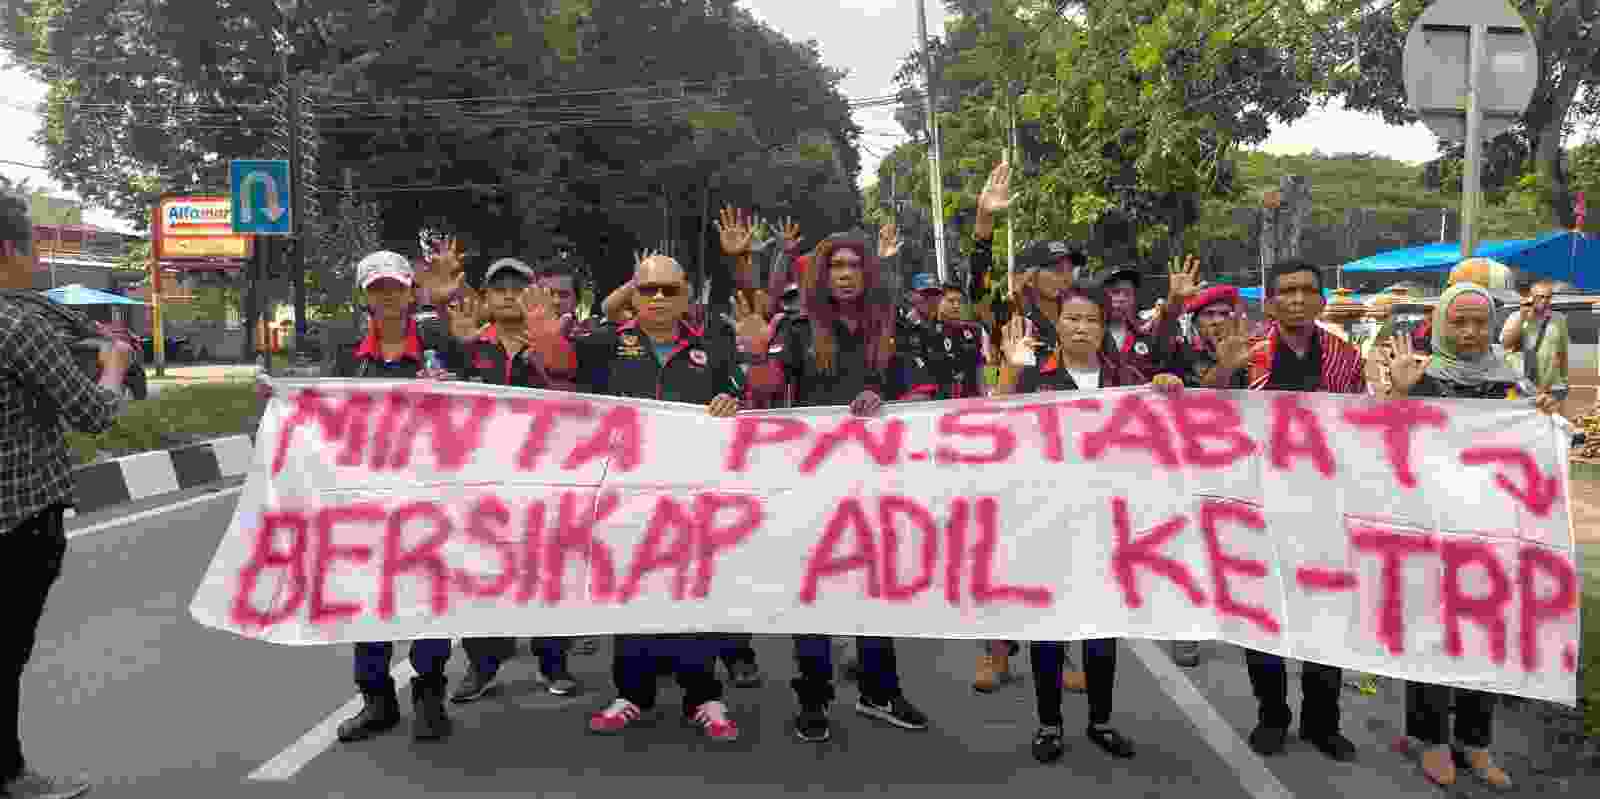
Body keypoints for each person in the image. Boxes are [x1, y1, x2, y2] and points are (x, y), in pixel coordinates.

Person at [538, 255, 744, 742]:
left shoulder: (713, 346)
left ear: (685, 296)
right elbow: (554, 371)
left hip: (693, 497)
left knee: (694, 594)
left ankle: (704, 695)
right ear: (631, 295)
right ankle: (633, 692)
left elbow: (744, 395)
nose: (657, 299)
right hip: (624, 498)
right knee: (631, 595)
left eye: (668, 290)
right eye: (646, 289)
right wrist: (545, 331)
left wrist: (731, 402)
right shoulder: (604, 344)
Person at [744, 230, 934, 743]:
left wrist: (884, 398)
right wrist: (758, 353)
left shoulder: (892, 330)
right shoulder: (800, 329)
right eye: (835, 266)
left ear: (868, 272)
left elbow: (922, 394)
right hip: (814, 483)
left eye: (854, 264)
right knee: (816, 592)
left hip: (877, 483)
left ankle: (879, 690)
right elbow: (763, 388)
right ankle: (813, 698)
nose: (845, 273)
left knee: (875, 590)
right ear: (821, 275)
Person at [1374, 281, 1552, 791]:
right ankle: (1429, 739)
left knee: (1483, 635)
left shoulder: (1510, 383)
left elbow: (1530, 452)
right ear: (1443, 325)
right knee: (1432, 633)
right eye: (1461, 322)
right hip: (1430, 529)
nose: (1472, 332)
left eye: (1481, 322)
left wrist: (1542, 419)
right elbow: (1385, 449)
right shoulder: (1421, 375)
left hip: (1492, 530)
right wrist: (1402, 396)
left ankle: (1474, 741)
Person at [992, 281, 1171, 762]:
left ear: (1102, 326)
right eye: (1072, 318)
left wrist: (1166, 391)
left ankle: (1100, 720)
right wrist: (1010, 370)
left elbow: (1156, 433)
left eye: (1091, 319)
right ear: (1058, 324)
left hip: (1107, 527)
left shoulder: (1125, 381)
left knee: (1101, 631)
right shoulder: (1034, 379)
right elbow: (997, 427)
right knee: (1048, 631)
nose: (1081, 327)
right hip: (1047, 522)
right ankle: (1049, 723)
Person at [0, 194, 132, 799]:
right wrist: (111, 366)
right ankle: (8, 774)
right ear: (10, 251)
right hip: (19, 518)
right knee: (5, 654)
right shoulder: (20, 325)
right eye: (30, 251)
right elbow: (92, 414)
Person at [324, 250, 465, 744]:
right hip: (365, 501)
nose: (387, 296)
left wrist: (454, 387)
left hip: (429, 498)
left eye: (396, 286)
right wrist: (279, 399)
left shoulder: (439, 344)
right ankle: (377, 701)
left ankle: (430, 696)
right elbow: (323, 412)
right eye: (377, 287)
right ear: (364, 296)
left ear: (410, 292)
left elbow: (477, 402)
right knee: (368, 602)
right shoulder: (346, 354)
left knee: (428, 600)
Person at [966, 161, 1090, 694]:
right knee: (1003, 553)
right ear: (1032, 275)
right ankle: (996, 651)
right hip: (1010, 455)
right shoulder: (1008, 316)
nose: (1066, 276)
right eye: (1055, 267)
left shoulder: (1084, 318)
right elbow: (976, 286)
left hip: (1067, 457)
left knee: (1058, 558)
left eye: (1070, 268)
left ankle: (1057, 653)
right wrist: (984, 224)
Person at [1241, 259, 1363, 762]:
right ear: (1270, 302)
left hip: (1326, 505)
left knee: (1326, 617)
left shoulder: (1344, 357)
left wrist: (1396, 394)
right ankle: (1272, 717)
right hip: (1262, 503)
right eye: (1285, 291)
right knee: (1263, 617)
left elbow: (1363, 421)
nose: (1295, 299)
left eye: (1306, 290)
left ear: (1321, 300)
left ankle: (1322, 721)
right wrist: (1221, 373)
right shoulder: (1248, 353)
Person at [450, 257, 583, 704]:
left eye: (519, 287)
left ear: (537, 295)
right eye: (499, 287)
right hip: (480, 484)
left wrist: (546, 344)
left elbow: (576, 393)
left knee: (547, 573)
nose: (509, 294)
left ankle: (554, 661)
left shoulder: (560, 343)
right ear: (485, 297)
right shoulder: (464, 344)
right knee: (480, 574)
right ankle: (482, 663)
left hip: (544, 481)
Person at [1501, 279, 1569, 415]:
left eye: (1548, 297)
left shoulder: (1559, 319)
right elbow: (1507, 344)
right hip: (1521, 385)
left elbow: (1562, 351)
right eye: (1540, 297)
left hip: (1548, 387)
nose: (1544, 301)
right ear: (1531, 297)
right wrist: (1522, 317)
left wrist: (1564, 380)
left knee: (1549, 425)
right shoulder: (1516, 317)